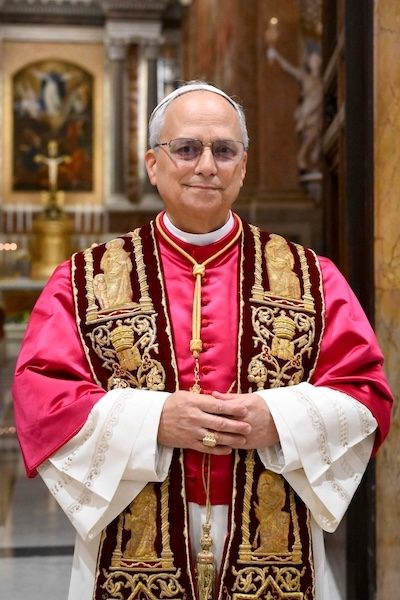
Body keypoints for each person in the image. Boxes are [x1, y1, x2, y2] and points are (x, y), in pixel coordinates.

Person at [13, 81, 392, 600]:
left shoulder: (311, 277)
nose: (207, 166)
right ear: (153, 164)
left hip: (274, 537)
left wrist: (279, 419)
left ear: (244, 165)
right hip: (129, 536)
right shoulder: (84, 280)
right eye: (187, 148)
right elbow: (42, 400)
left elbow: (366, 393)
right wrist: (154, 420)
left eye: (225, 150)